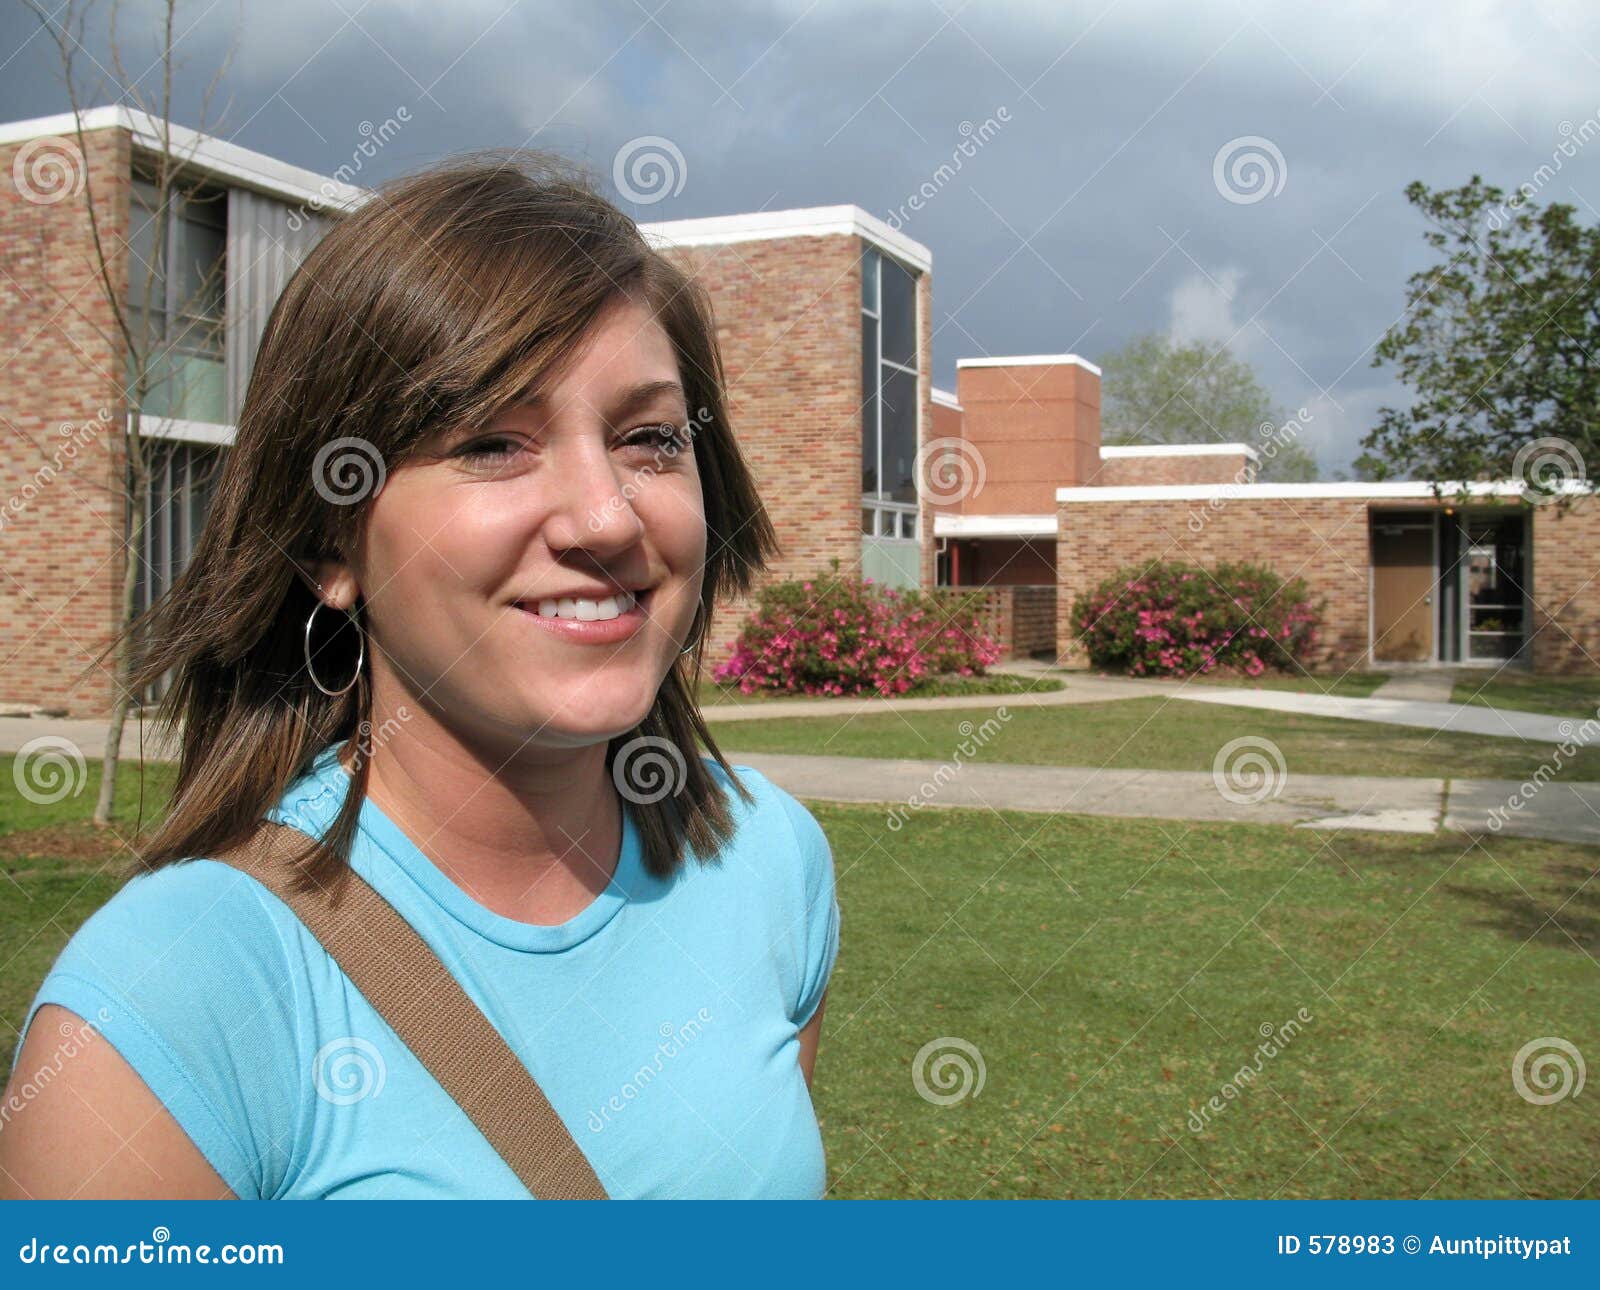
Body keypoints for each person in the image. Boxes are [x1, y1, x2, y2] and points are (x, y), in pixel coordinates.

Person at [0, 152, 840, 1200]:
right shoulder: (164, 1009)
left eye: (648, 439)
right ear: (329, 545)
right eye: (492, 442)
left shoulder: (770, 865)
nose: (607, 515)